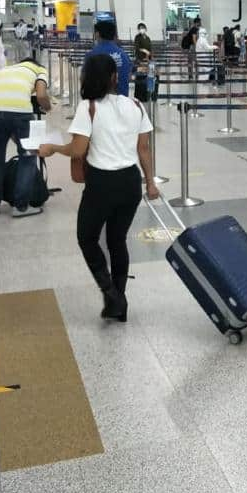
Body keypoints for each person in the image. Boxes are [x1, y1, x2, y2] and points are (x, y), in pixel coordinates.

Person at [39, 54, 157, 322]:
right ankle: (119, 300)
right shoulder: (136, 105)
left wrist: (54, 148)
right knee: (117, 241)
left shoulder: (88, 107)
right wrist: (150, 182)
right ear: (115, 77)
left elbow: (78, 150)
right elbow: (144, 149)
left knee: (87, 237)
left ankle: (112, 294)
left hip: (102, 184)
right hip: (130, 183)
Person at [0, 56, 51, 216]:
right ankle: (21, 206)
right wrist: (49, 108)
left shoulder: (5, 69)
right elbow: (41, 96)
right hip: (19, 112)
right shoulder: (39, 70)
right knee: (28, 157)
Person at [87, 19, 131, 97]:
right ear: (114, 35)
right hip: (121, 102)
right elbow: (128, 74)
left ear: (97, 34)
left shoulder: (91, 55)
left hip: (99, 102)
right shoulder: (124, 55)